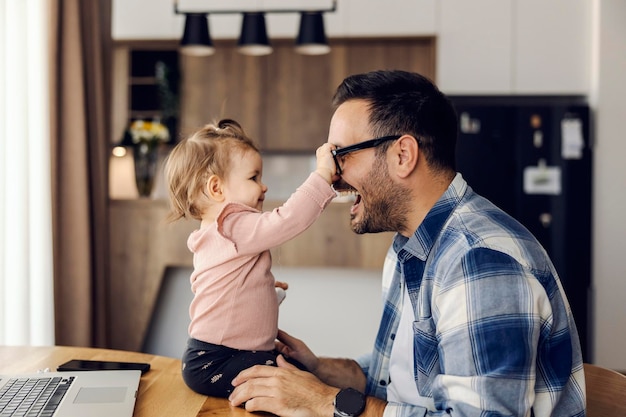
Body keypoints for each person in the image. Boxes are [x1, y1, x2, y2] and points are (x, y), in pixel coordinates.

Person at [227, 71, 586, 417]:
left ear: (403, 155)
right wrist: (318, 369)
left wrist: (326, 402)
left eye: (340, 156)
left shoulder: (479, 261)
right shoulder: (411, 245)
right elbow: (394, 381)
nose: (332, 178)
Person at [163, 119, 337, 398]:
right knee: (294, 381)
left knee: (293, 377)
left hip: (214, 358)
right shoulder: (232, 225)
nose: (264, 187)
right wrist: (322, 175)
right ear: (217, 188)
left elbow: (226, 289)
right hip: (217, 360)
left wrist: (260, 289)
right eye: (253, 177)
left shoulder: (217, 232)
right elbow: (287, 220)